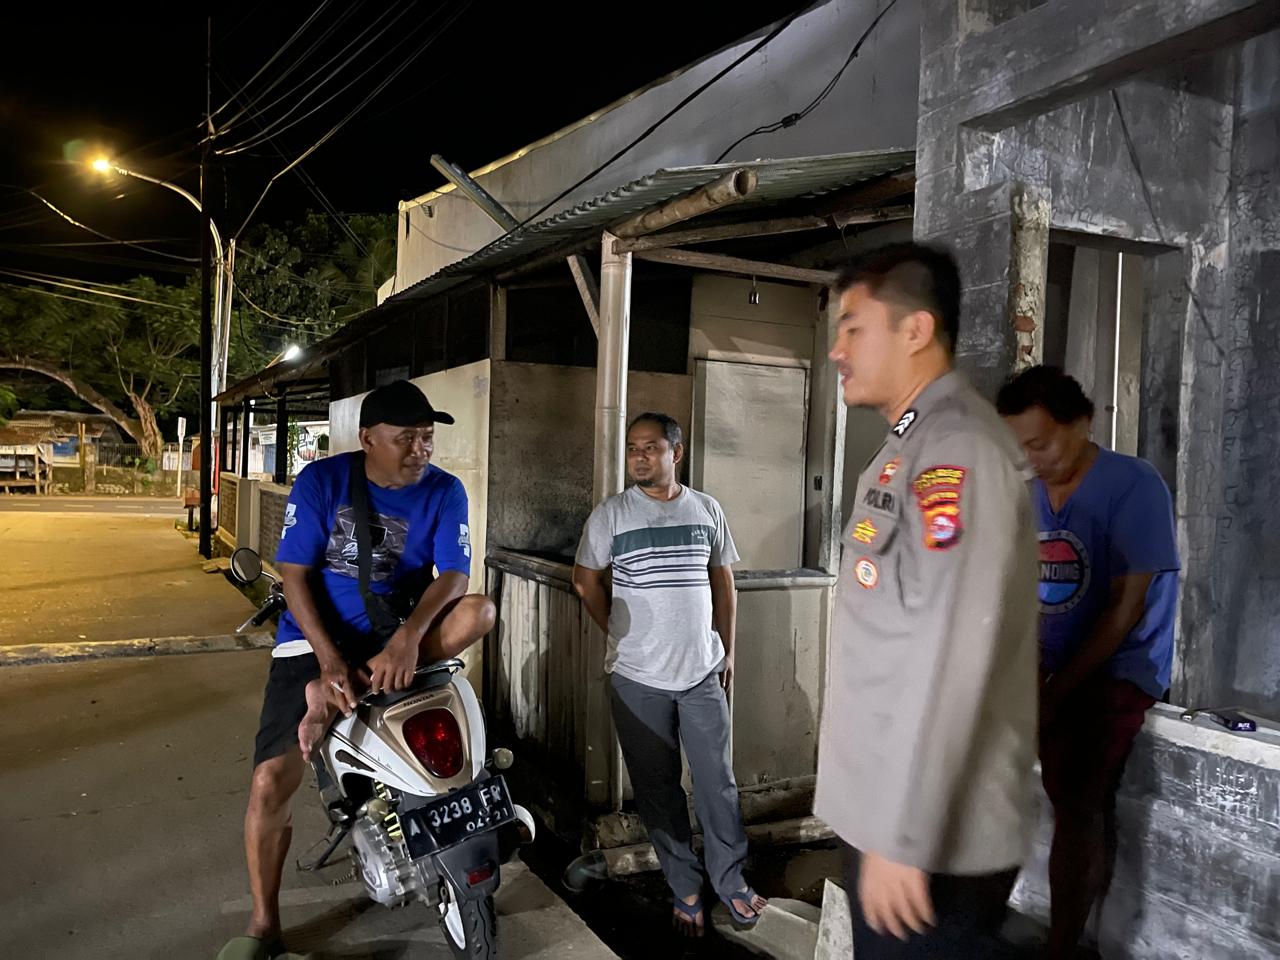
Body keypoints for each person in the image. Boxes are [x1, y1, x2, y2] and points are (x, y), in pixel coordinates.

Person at [814, 243, 1040, 957]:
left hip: (929, 837)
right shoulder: (908, 445)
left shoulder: (958, 450)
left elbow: (952, 649)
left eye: (853, 328)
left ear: (915, 330)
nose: (837, 350)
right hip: (889, 813)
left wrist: (901, 837)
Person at [219, 379, 495, 960]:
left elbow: (454, 576)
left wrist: (408, 638)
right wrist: (327, 662)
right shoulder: (322, 481)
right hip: (313, 638)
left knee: (481, 612)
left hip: (399, 636)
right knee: (269, 783)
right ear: (368, 439)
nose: (421, 449)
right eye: (406, 438)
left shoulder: (445, 490)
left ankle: (334, 698)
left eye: (427, 437)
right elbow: (294, 575)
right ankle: (264, 921)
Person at [997, 365, 1179, 959]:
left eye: (1042, 443)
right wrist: (1029, 674)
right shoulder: (1031, 496)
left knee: (1077, 796)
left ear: (1082, 423)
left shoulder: (1133, 485)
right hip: (1052, 666)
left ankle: (1064, 947)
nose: (1033, 460)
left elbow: (1126, 607)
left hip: (1116, 669)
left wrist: (1056, 691)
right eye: (1021, 448)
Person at [571, 412, 766, 938]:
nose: (639, 457)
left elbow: (723, 581)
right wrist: (617, 630)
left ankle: (731, 880)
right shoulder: (612, 515)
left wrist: (727, 650)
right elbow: (585, 580)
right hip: (638, 679)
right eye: (633, 448)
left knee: (717, 785)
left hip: (702, 674)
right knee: (657, 790)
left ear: (675, 453)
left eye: (650, 447)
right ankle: (686, 887)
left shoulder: (706, 509)